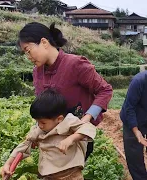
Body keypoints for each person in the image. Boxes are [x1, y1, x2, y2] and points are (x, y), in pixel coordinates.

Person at [17, 22, 113, 160]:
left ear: (43, 42)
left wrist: (86, 119)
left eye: (28, 50)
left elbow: (105, 90)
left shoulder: (75, 64)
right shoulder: (37, 72)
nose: (28, 56)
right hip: (52, 138)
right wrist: (38, 130)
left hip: (77, 137)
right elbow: (43, 106)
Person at [1, 89, 96, 180]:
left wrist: (71, 138)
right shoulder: (38, 130)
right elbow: (24, 146)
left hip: (71, 174)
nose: (40, 125)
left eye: (43, 122)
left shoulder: (68, 122)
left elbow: (88, 128)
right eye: (37, 122)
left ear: (59, 119)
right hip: (48, 176)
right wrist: (8, 164)